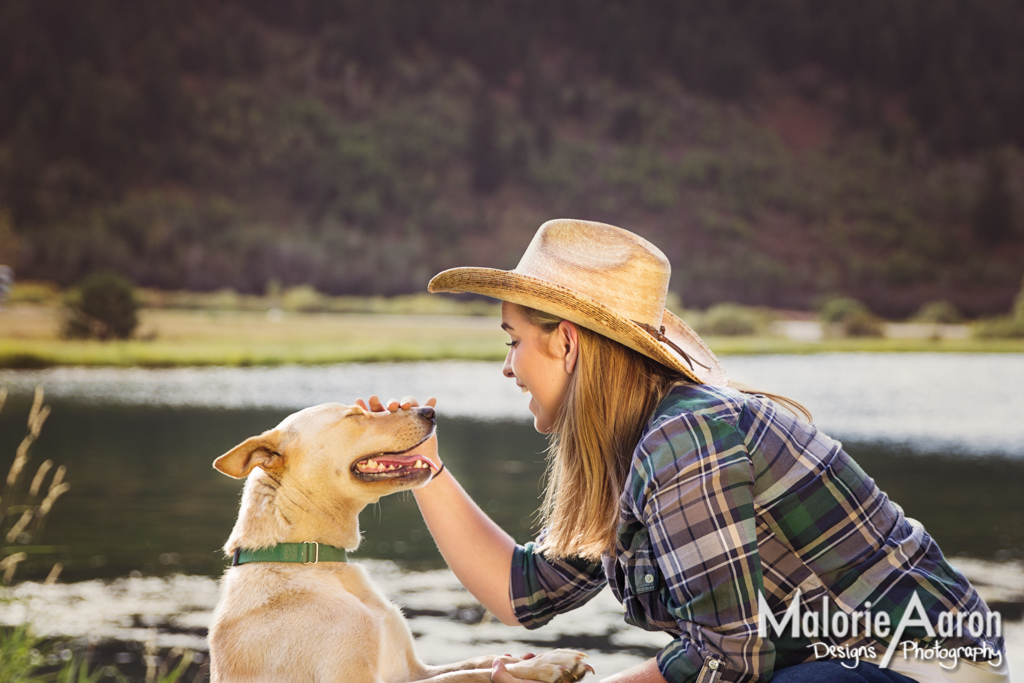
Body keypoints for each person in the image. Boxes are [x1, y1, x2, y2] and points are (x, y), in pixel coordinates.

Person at [359, 219, 1007, 683]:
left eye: (512, 340)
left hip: (921, 664)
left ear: (566, 345)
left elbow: (731, 658)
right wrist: (426, 469)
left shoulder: (686, 435)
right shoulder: (633, 450)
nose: (507, 367)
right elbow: (524, 592)